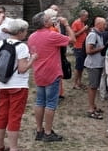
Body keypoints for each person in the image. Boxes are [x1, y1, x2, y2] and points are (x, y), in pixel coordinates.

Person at [0, 19, 38, 151]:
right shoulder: (21, 47)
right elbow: (22, 69)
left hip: (2, 84)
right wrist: (33, 59)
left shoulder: (1, 43)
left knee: (2, 114)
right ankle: (13, 150)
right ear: (20, 32)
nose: (26, 33)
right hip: (18, 85)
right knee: (14, 116)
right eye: (25, 31)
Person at [28, 12, 75, 142]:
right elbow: (72, 40)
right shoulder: (51, 35)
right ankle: (48, 133)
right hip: (52, 72)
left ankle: (39, 130)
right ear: (45, 23)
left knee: (39, 102)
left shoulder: (31, 36)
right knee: (50, 103)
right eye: (49, 19)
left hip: (38, 72)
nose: (51, 20)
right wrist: (66, 24)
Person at [84, 17, 106, 119]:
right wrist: (101, 48)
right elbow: (88, 50)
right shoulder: (93, 35)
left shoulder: (99, 34)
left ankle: (93, 105)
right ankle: (90, 109)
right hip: (93, 64)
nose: (105, 26)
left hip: (98, 63)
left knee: (95, 86)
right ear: (98, 24)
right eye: (103, 24)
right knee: (93, 87)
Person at [71, 10, 89, 90]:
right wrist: (83, 30)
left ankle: (79, 82)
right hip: (78, 47)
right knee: (78, 67)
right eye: (86, 16)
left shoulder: (82, 23)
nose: (87, 18)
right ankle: (75, 84)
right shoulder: (76, 23)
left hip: (83, 47)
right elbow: (73, 35)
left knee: (81, 67)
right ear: (81, 16)